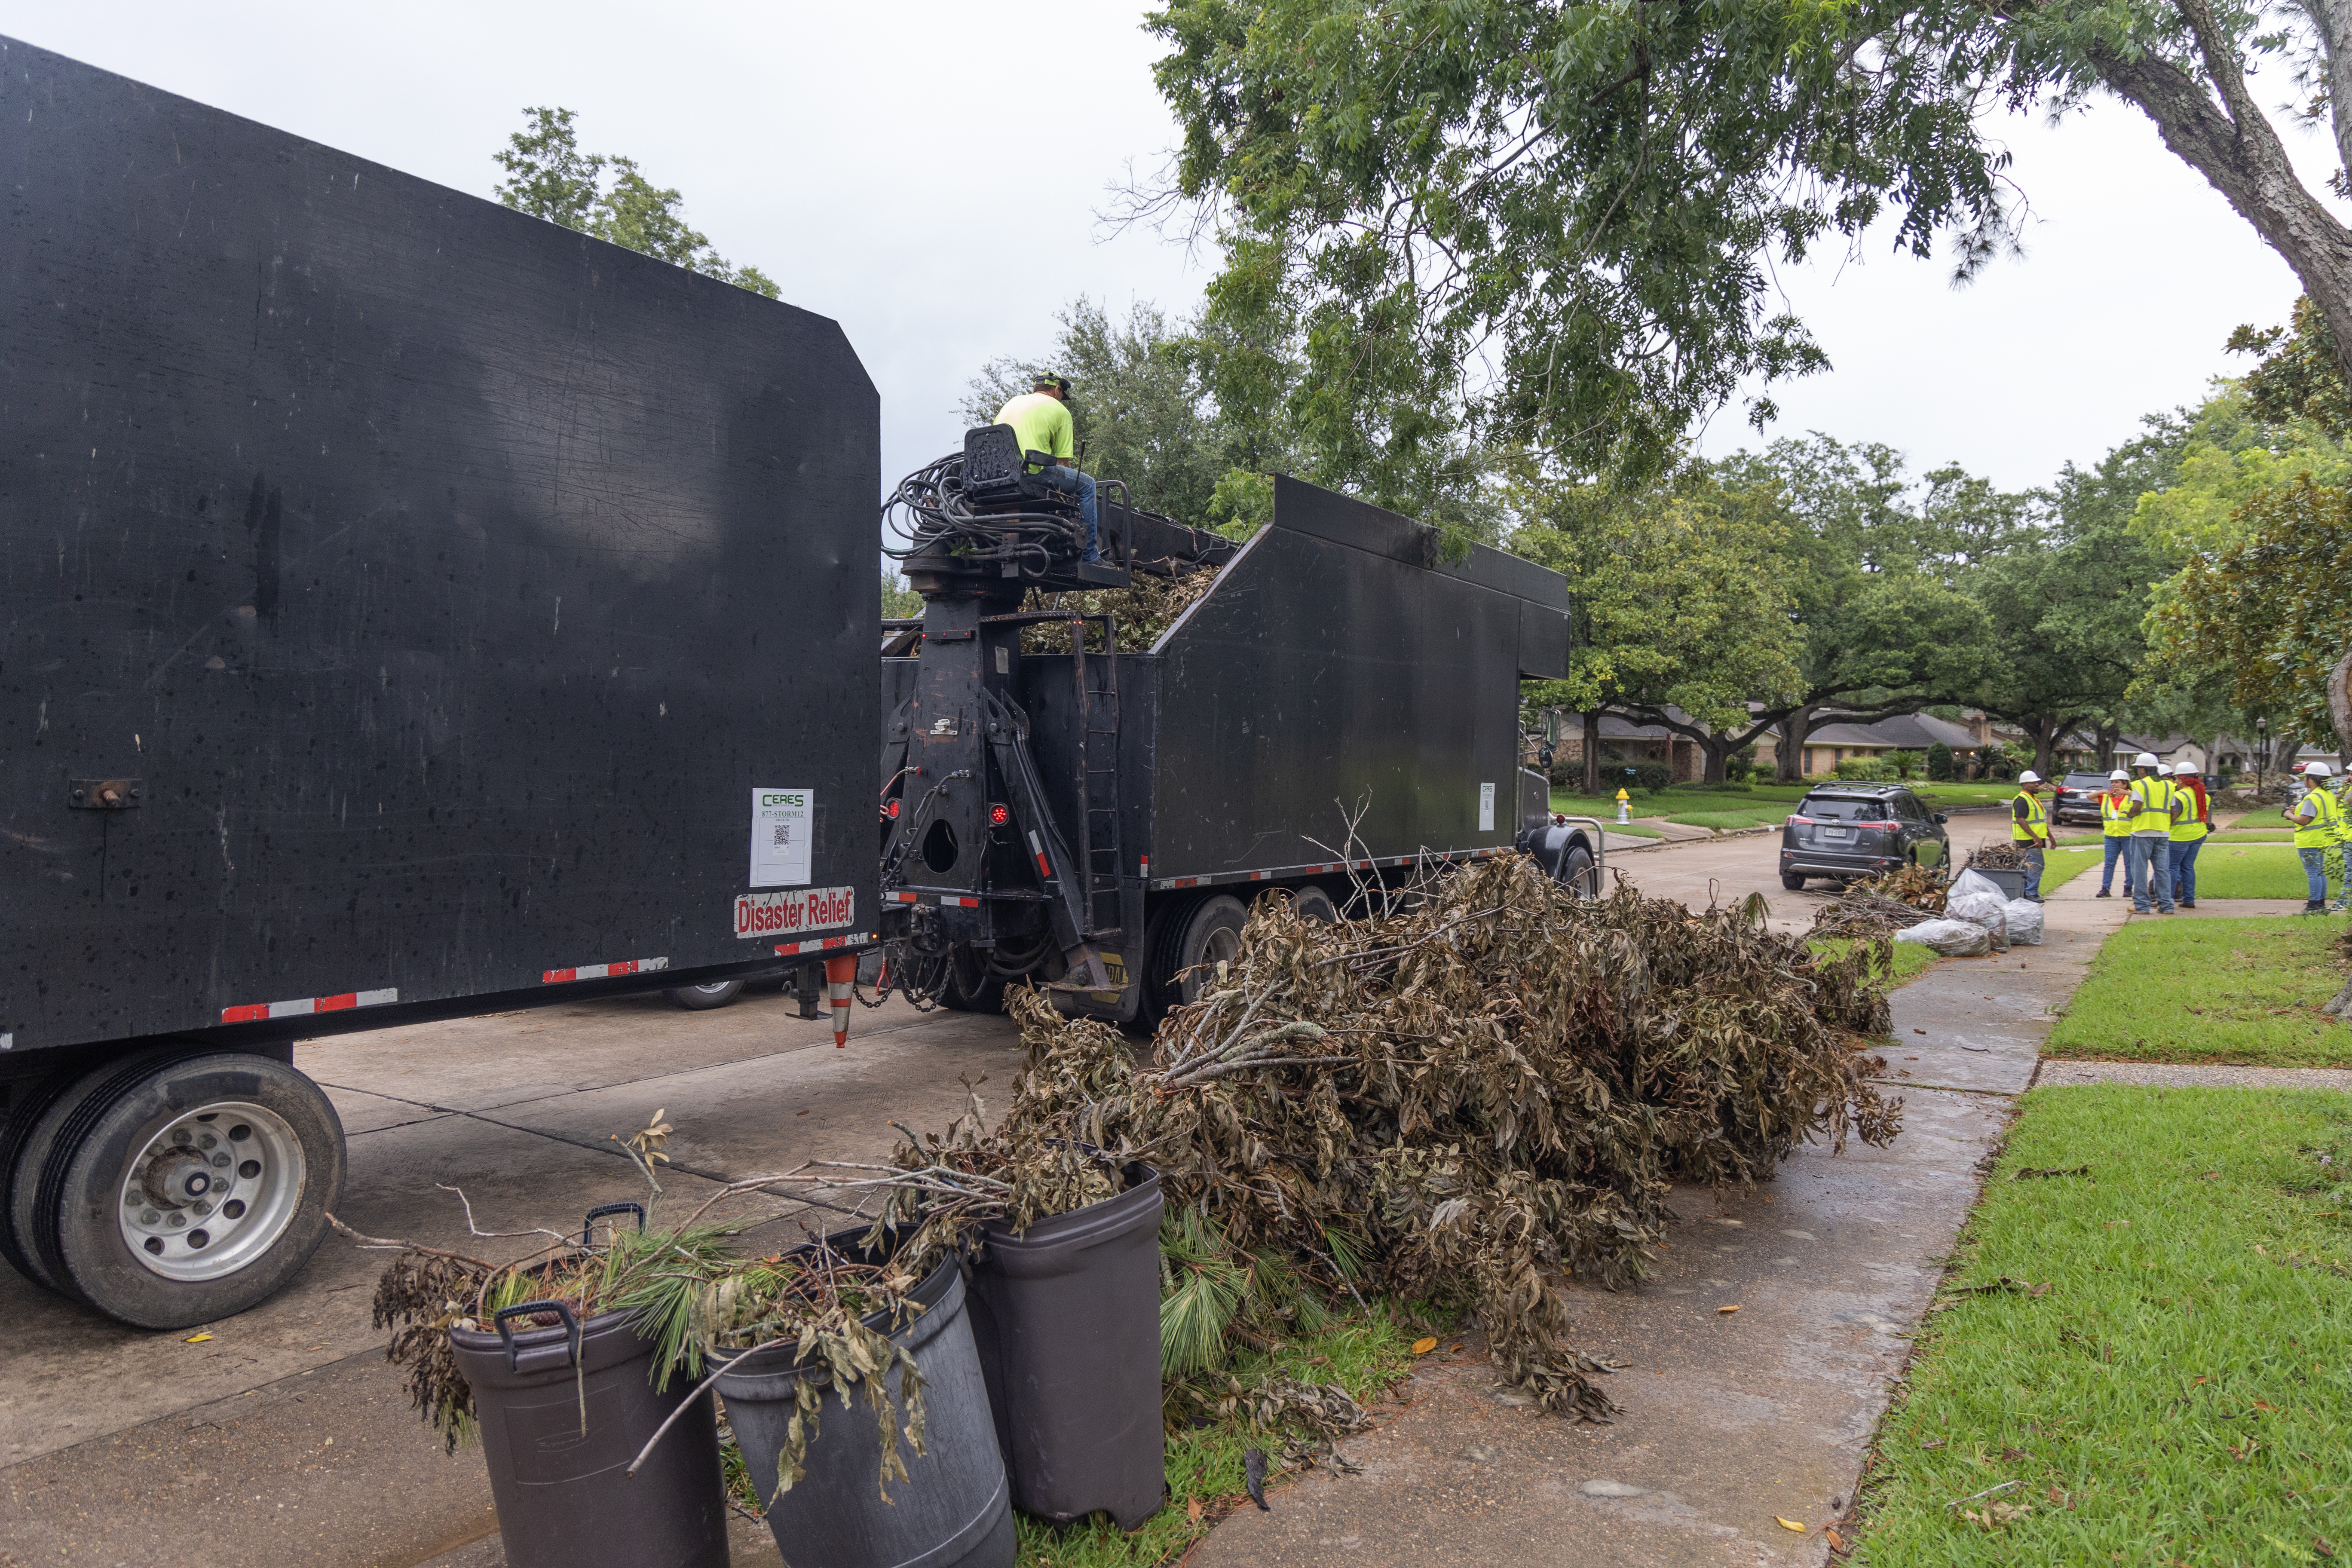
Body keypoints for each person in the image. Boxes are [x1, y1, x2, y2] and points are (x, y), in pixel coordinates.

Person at [993, 374, 1099, 562]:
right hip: (1030, 474)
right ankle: (1091, 555)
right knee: (1087, 485)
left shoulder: (1012, 403)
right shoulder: (1060, 411)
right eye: (1062, 396)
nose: (1061, 400)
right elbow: (1063, 464)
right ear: (1058, 390)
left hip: (998, 477)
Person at [2125, 751, 2183, 915]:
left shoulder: (2140, 785)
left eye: (2138, 769)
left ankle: (2142, 906)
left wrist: (2128, 814)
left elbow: (2136, 808)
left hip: (2142, 832)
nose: (2138, 772)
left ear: (2143, 770)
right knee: (2163, 870)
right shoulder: (2168, 785)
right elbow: (2173, 811)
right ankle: (2166, 906)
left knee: (2140, 870)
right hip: (2163, 833)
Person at [2288, 759, 2346, 914]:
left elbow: (2304, 820)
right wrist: (2297, 811)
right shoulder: (2327, 794)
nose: (2304, 779)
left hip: (2309, 840)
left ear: (2311, 780)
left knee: (2313, 872)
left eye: (2306, 777)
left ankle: (2314, 906)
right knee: (2319, 872)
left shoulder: (2311, 797)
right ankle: (2320, 904)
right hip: (2322, 839)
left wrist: (2288, 814)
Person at [2168, 764, 2211, 909]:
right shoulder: (2203, 795)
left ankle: (2167, 900)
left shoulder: (2179, 796)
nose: (2175, 782)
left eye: (2176, 779)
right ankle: (2189, 900)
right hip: (2198, 834)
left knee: (2172, 868)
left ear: (2182, 780)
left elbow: (2172, 818)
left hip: (2179, 837)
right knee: (2188, 868)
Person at [2011, 769, 2053, 900]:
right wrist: (2035, 837)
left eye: (2037, 782)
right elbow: (2021, 820)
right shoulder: (2022, 800)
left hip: (2034, 839)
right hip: (2027, 840)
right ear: (2024, 785)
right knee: (2036, 866)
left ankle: (2026, 893)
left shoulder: (2033, 799)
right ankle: (2031, 893)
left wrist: (2050, 837)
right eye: (2033, 783)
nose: (2037, 785)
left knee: (2029, 867)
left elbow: (2041, 821)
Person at [2095, 767, 2136, 900]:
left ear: (2125, 784)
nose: (2113, 785)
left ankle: (2128, 888)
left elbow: (2142, 798)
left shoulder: (2132, 796)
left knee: (2129, 863)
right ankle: (2105, 888)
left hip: (2128, 836)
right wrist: (2104, 791)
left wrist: (2126, 793)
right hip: (2111, 836)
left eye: (2117, 782)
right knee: (2109, 864)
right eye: (2112, 782)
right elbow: (2090, 797)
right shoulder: (2107, 797)